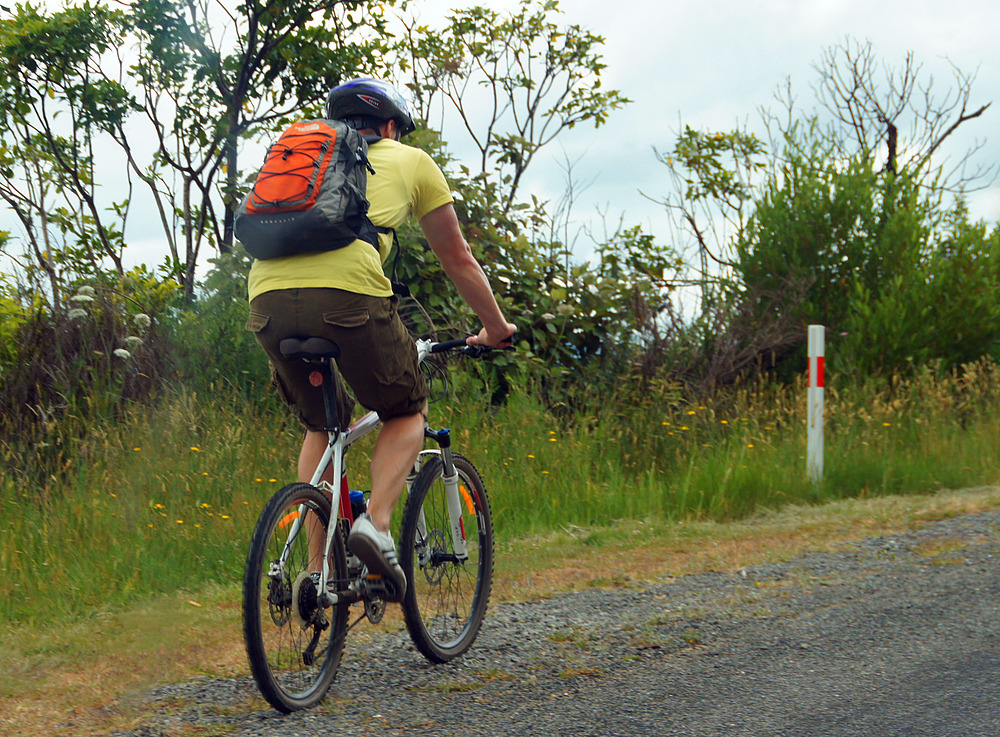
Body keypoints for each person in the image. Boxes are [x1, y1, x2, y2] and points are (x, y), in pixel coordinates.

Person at [246, 78, 516, 600]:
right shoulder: (410, 160)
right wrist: (496, 329)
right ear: (390, 126)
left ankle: (317, 572)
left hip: (266, 300)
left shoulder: (306, 155)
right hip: (347, 296)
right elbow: (457, 259)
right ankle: (378, 526)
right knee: (406, 409)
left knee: (323, 424)